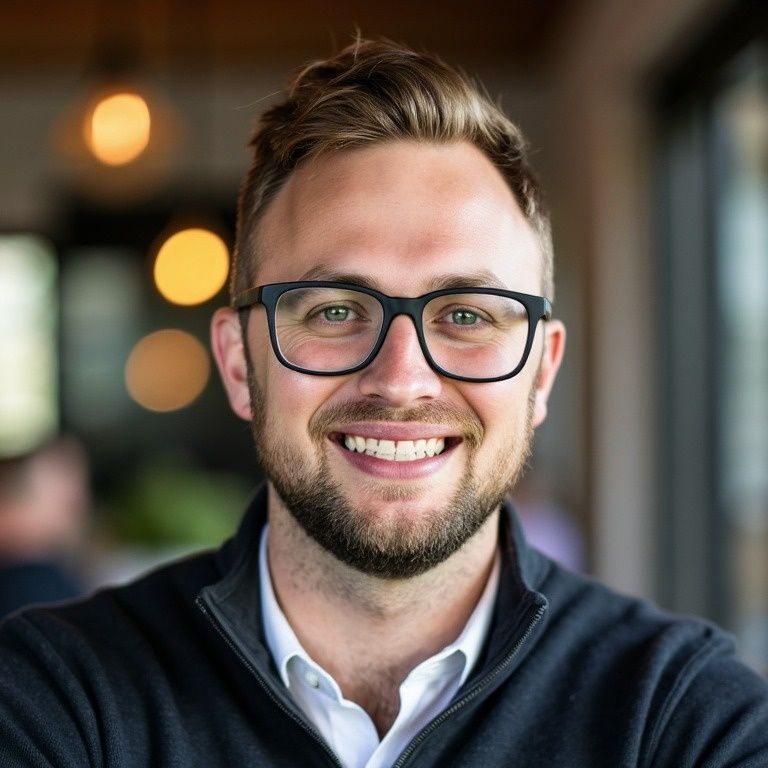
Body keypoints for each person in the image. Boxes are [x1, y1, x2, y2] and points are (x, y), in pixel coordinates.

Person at [1, 38, 767, 768]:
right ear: (238, 365)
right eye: (335, 311)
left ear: (540, 373)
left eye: (466, 315)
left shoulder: (680, 720)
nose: (401, 381)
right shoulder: (56, 697)